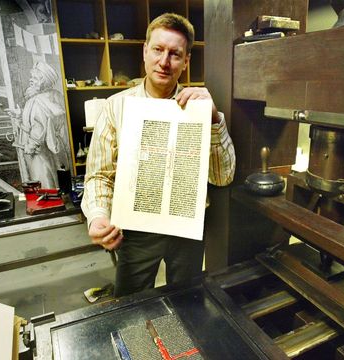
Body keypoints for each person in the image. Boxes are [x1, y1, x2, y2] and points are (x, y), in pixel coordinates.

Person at [82, 13, 236, 297]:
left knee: (186, 301)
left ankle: (181, 343)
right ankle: (139, 344)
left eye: (175, 54)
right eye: (158, 50)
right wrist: (97, 216)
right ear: (145, 51)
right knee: (131, 305)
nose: (164, 62)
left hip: (186, 229)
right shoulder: (116, 107)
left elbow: (223, 177)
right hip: (135, 231)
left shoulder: (200, 108)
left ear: (186, 60)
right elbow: (99, 175)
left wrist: (213, 121)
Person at [7, 62, 71, 189]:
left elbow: (39, 128)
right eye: (32, 77)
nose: (31, 80)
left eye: (35, 78)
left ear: (44, 82)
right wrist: (21, 115)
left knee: (43, 180)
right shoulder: (54, 95)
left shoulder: (37, 101)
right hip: (52, 147)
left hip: (39, 151)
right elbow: (43, 119)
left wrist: (30, 146)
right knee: (54, 175)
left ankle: (48, 203)